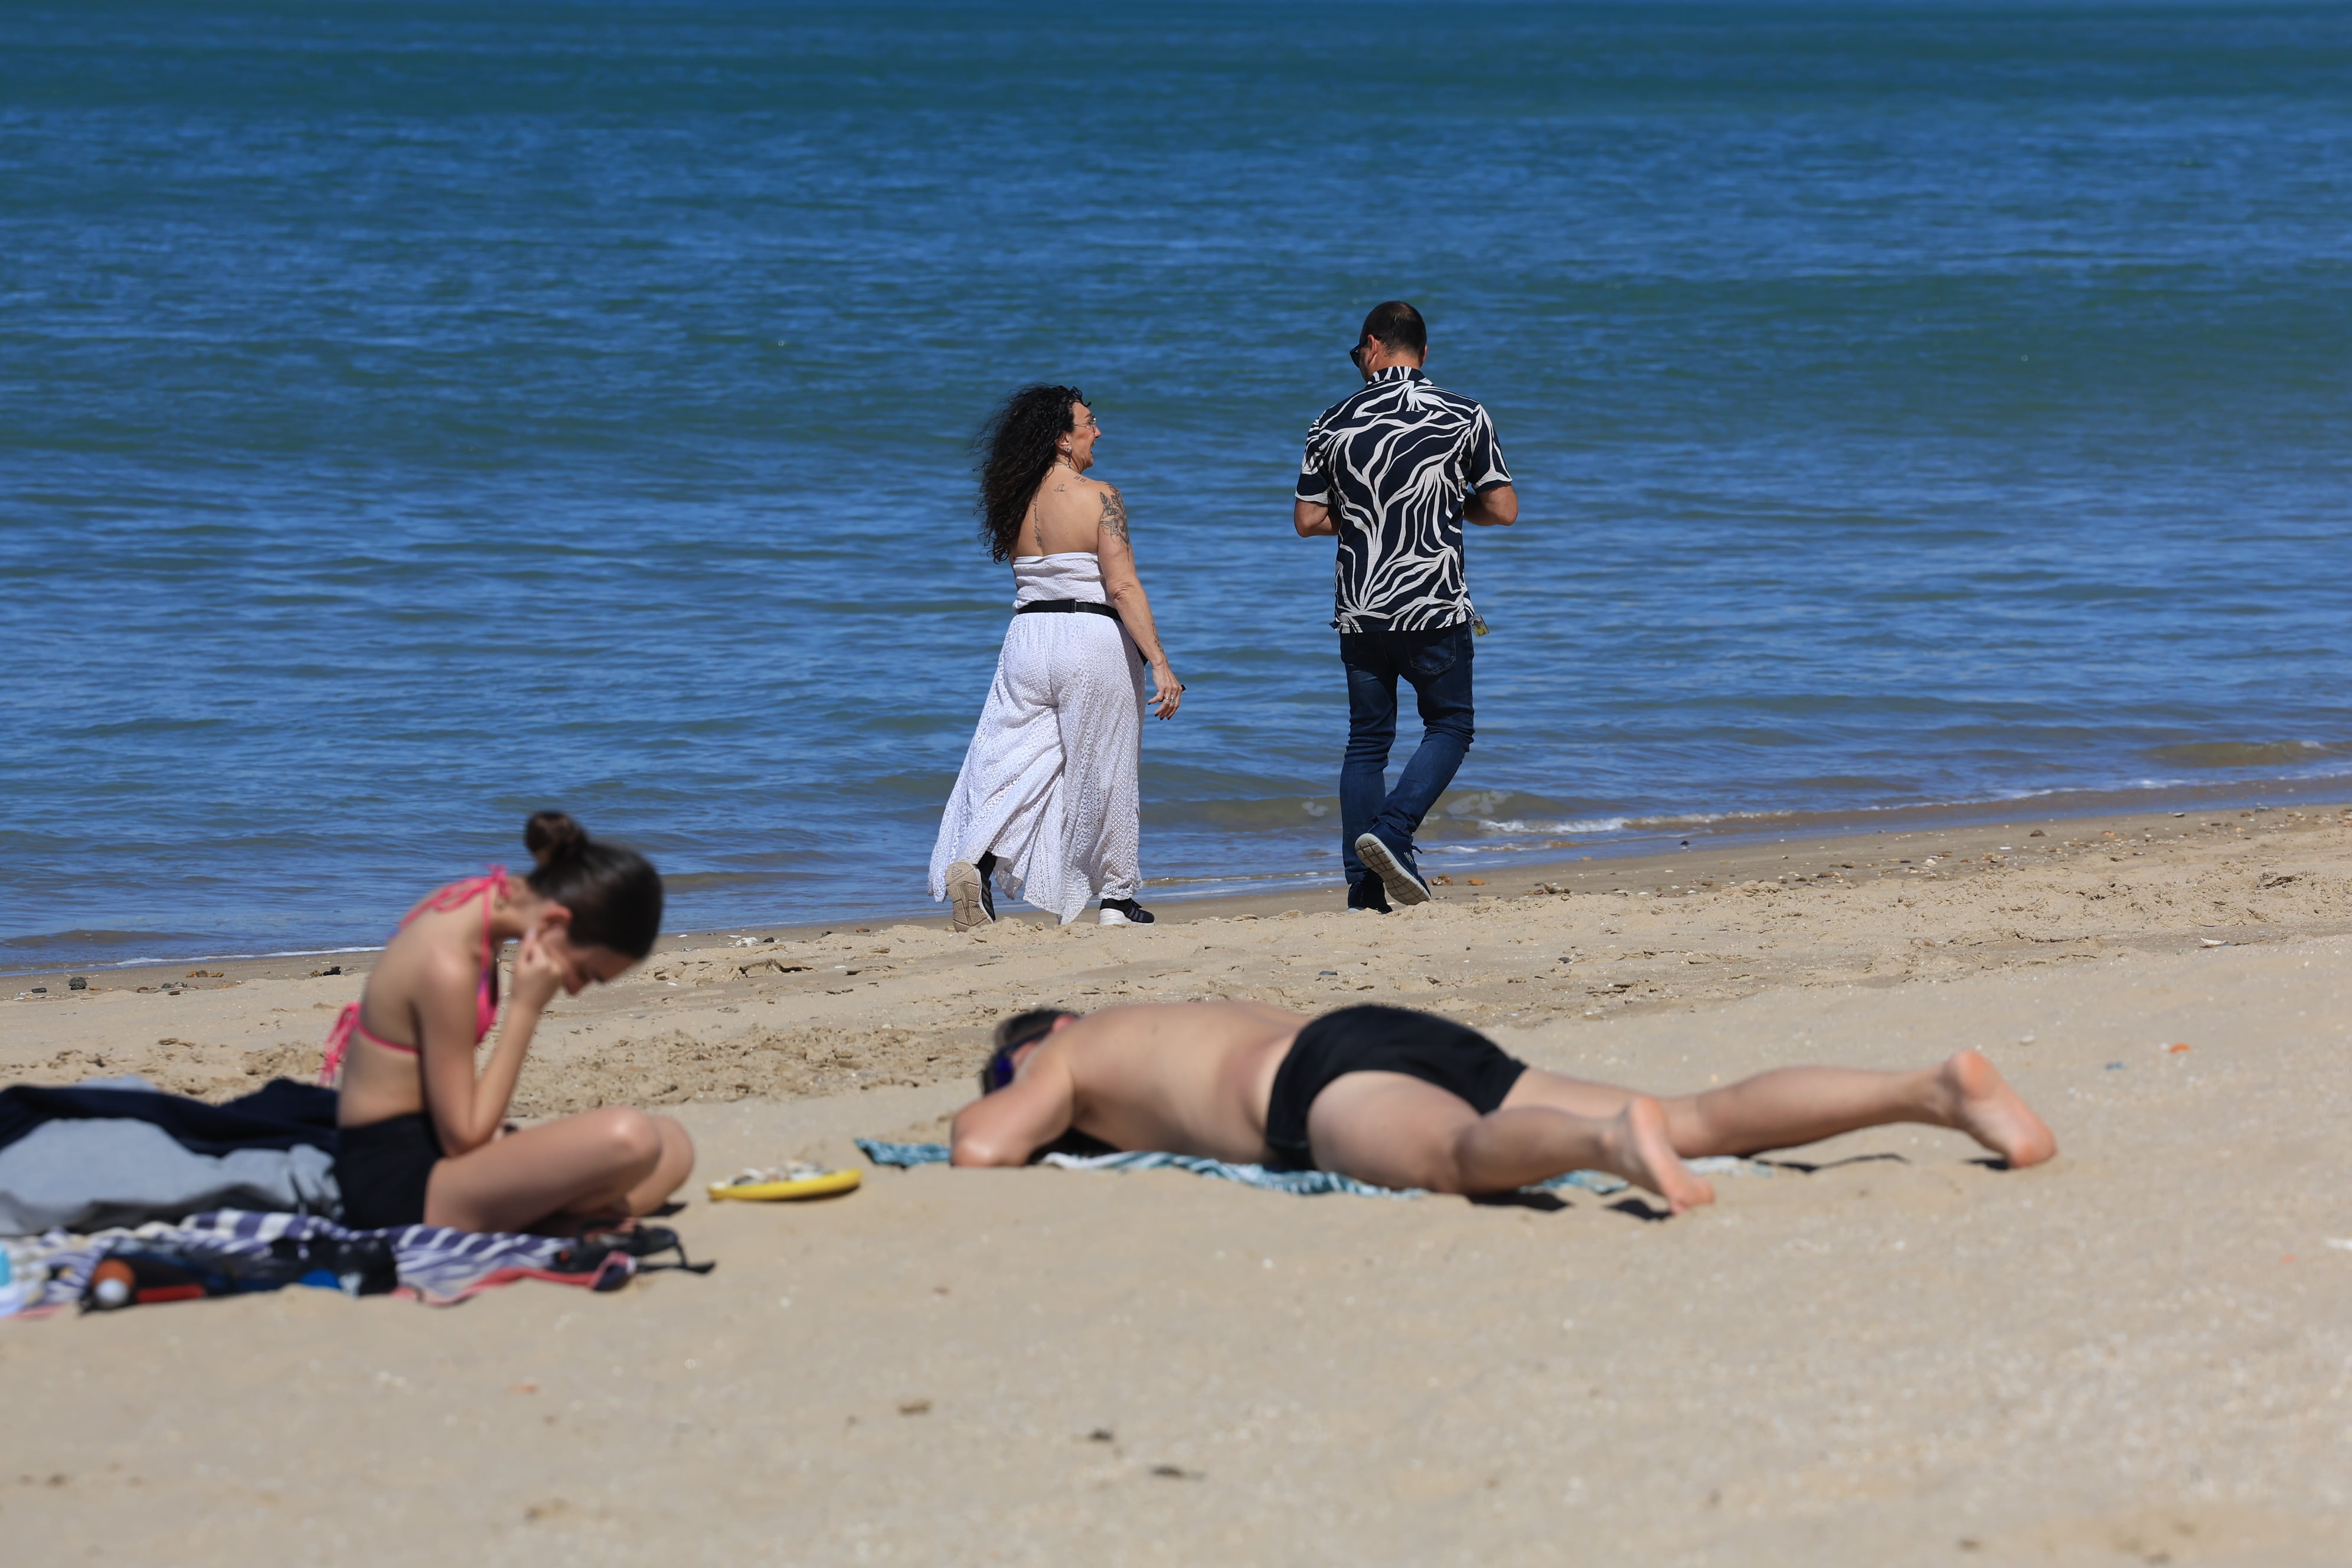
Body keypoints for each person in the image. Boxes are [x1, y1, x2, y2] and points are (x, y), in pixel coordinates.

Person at [950, 1001, 2057, 1213]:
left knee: (1458, 1158)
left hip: (1313, 1085)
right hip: (1382, 1028)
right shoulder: (1172, 1011)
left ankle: (1600, 1148)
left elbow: (987, 1154)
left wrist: (1000, 1090)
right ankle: (1929, 1091)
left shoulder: (1064, 1052)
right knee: (1695, 1113)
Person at [323, 812, 695, 1233]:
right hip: (397, 1184)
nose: (574, 989)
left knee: (676, 1146)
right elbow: (464, 1138)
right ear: (556, 922)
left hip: (438, 1147)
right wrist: (525, 1008)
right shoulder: (448, 965)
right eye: (586, 972)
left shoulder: (482, 899)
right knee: (632, 1138)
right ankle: (559, 1222)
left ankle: (560, 1219)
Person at [1293, 302, 1518, 913]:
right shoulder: (1465, 415)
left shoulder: (1331, 421)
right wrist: (1448, 506)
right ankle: (1393, 831)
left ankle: (1364, 888)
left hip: (1362, 605)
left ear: (1373, 345)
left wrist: (1364, 518)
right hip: (1434, 602)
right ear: (1421, 352)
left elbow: (1308, 520)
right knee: (1451, 724)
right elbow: (1502, 508)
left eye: (1357, 354)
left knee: (1367, 742)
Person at [930, 385, 1183, 930]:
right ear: (1063, 439)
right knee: (1107, 769)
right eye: (1089, 423)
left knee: (1015, 764)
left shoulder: (1014, 498)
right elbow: (1121, 587)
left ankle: (975, 860)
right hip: (1090, 638)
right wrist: (1159, 661)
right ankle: (1116, 898)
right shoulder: (1100, 496)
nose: (1099, 432)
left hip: (1026, 638)